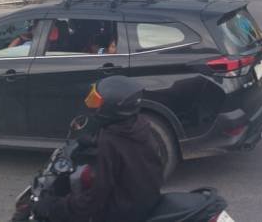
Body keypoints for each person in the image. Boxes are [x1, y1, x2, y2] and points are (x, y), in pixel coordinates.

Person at [30, 76, 164, 222]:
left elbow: (96, 196)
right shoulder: (138, 125)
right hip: (146, 197)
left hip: (125, 211)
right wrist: (93, 141)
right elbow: (126, 151)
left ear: (113, 107)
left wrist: (55, 206)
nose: (93, 105)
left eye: (97, 101)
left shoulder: (111, 141)